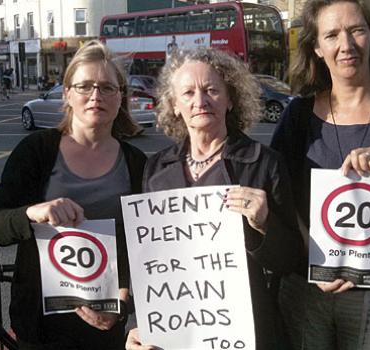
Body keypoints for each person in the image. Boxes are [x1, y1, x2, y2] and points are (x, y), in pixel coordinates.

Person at [125, 48, 303, 350]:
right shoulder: (156, 169)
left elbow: (290, 259)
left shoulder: (264, 163)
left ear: (231, 99)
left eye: (211, 90)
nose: (200, 101)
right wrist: (135, 324)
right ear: (174, 106)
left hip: (242, 331)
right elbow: (146, 261)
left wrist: (263, 226)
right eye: (188, 93)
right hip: (174, 332)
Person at [270, 0, 370, 349]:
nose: (346, 45)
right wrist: (314, 253)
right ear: (317, 48)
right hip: (306, 292)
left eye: (357, 30)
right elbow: (281, 198)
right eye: (332, 35)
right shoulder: (297, 116)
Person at [0, 40, 147, 350]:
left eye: (107, 88)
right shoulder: (36, 151)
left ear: (120, 98)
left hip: (104, 324)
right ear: (67, 94)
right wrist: (33, 212)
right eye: (84, 86)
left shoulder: (136, 162)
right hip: (40, 324)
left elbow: (141, 247)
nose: (96, 95)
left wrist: (121, 307)